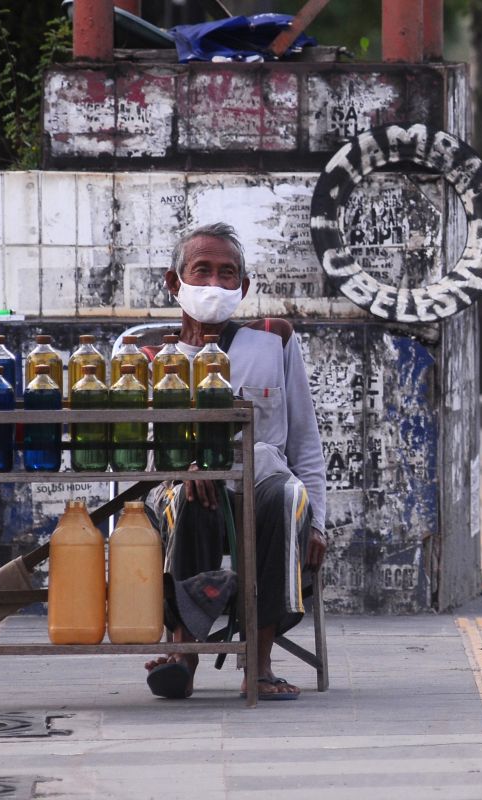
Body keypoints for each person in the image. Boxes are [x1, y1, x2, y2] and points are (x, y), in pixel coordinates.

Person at [143, 222, 327, 701]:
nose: (214, 285)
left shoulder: (275, 341)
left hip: (261, 489)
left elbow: (305, 441)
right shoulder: (143, 356)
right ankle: (183, 652)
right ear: (174, 282)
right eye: (201, 271)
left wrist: (319, 524)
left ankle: (260, 664)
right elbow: (134, 447)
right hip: (178, 492)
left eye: (227, 275)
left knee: (286, 495)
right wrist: (183, 470)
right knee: (189, 495)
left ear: (243, 288)